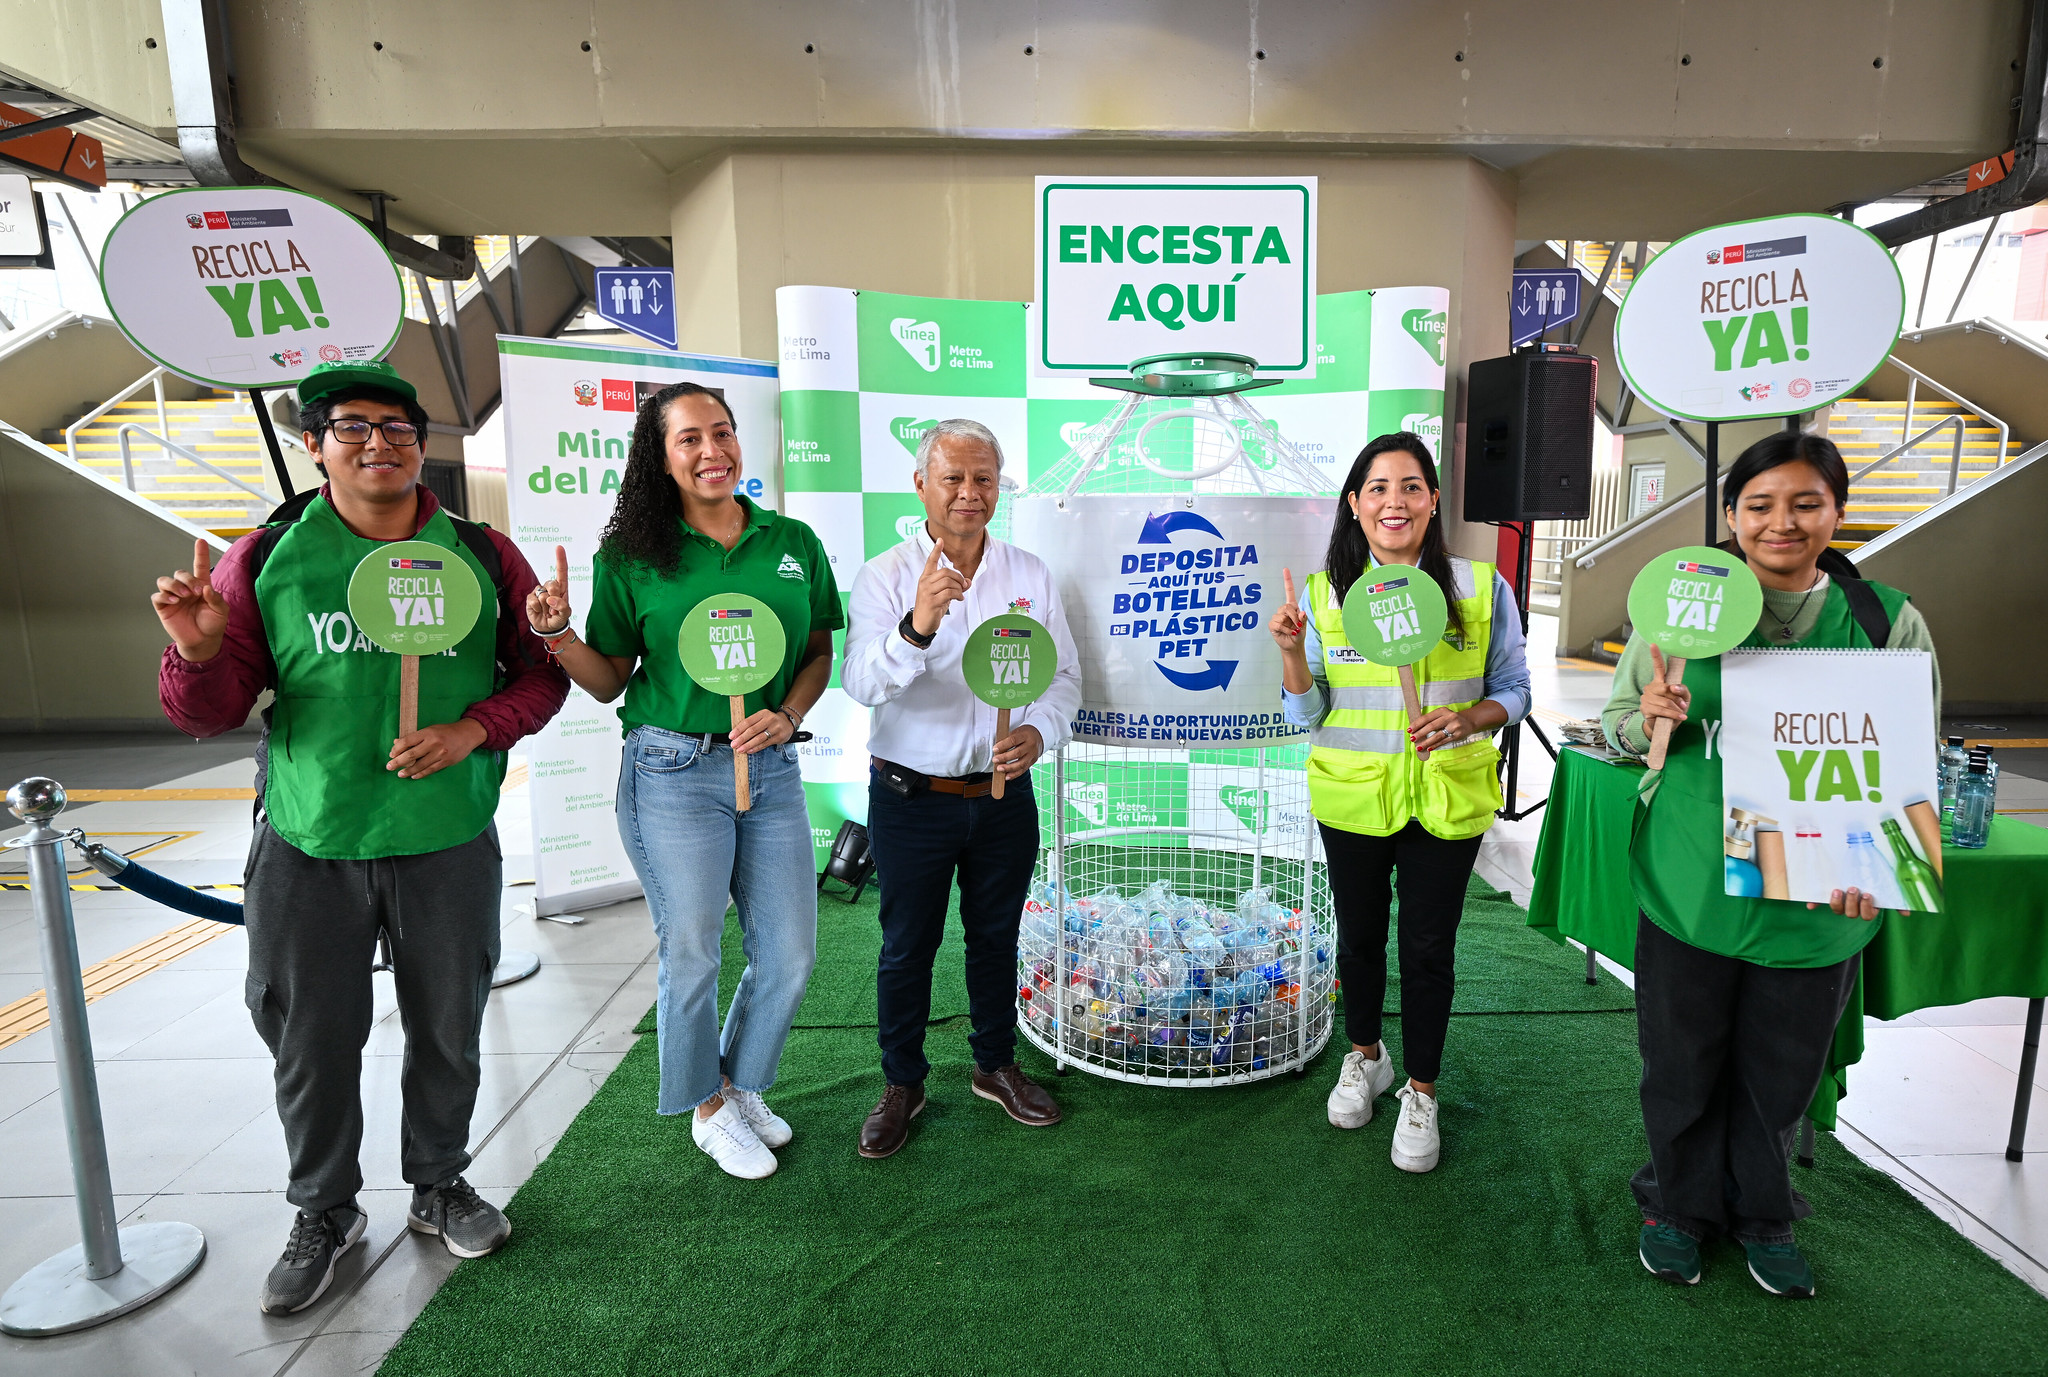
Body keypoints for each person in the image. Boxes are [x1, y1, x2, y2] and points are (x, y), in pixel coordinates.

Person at [153, 359, 569, 1315]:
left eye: (397, 426)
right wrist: (201, 649)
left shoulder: (480, 550)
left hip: (447, 835)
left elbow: (538, 678)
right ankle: (325, 1208)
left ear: (422, 444)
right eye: (352, 426)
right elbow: (210, 714)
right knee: (311, 1037)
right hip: (311, 836)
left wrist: (473, 728)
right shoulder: (267, 556)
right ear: (315, 444)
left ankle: (438, 1181)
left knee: (448, 1025)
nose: (378, 441)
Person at [1603, 431, 1941, 1298]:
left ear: (1837, 509)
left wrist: (1895, 863)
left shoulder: (1883, 620)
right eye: (1758, 504)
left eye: (1805, 503)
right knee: (1680, 1064)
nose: (1781, 522)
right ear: (1729, 514)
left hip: (1822, 895)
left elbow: (1908, 758)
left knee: (1780, 1071)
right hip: (1692, 888)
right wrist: (1651, 718)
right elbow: (1618, 731)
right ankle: (1676, 1207)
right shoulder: (1681, 611)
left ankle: (1763, 1213)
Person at [526, 381, 838, 1181]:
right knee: (693, 948)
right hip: (671, 770)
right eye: (691, 439)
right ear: (659, 457)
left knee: (792, 950)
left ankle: (738, 1083)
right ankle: (705, 1106)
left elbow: (815, 651)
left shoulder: (790, 538)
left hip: (769, 765)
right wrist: (556, 632)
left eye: (724, 433)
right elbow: (606, 680)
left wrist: (790, 714)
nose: (713, 451)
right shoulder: (636, 555)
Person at [1269, 431, 1531, 1174]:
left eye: (1411, 486)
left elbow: (1515, 687)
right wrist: (1292, 652)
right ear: (1355, 504)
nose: (1395, 501)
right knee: (1357, 941)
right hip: (1352, 799)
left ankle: (1421, 1090)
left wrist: (1470, 717)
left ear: (1434, 500)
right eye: (1378, 487)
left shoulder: (1480, 589)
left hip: (1445, 798)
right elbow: (1305, 715)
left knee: (1427, 950)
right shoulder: (1324, 596)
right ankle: (1366, 1057)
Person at [842, 419, 1082, 1158]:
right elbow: (860, 682)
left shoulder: (1029, 574)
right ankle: (902, 1083)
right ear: (921, 485)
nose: (970, 494)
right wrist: (917, 626)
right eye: (953, 478)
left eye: (984, 479)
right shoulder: (885, 576)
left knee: (996, 937)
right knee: (906, 945)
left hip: (1003, 797)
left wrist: (1038, 733)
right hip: (912, 797)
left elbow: (1063, 677)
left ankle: (994, 1065)